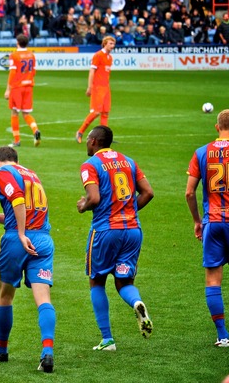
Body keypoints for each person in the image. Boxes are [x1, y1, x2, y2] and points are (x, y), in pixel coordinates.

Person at [76, 125, 154, 351]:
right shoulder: (129, 161)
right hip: (132, 230)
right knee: (124, 282)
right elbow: (148, 192)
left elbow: (94, 198)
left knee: (96, 281)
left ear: (93, 141)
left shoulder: (90, 165)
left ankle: (107, 339)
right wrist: (129, 210)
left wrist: (83, 207)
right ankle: (136, 302)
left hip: (105, 231)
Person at [185, 109, 229, 347]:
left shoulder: (201, 152)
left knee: (213, 280)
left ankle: (222, 335)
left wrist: (197, 221)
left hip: (212, 223)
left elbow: (189, 192)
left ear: (217, 127)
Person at [0, 146, 56, 373]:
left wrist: (20, 232)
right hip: (43, 240)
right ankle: (47, 351)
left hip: (19, 240)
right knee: (43, 298)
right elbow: (19, 210)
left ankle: (3, 349)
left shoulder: (3, 172)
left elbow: (17, 200)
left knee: (5, 296)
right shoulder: (31, 174)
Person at [76, 36, 115, 144]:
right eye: (110, 44)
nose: (112, 46)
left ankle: (105, 139)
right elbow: (92, 71)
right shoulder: (98, 55)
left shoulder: (109, 57)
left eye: (113, 44)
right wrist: (90, 87)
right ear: (104, 44)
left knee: (105, 112)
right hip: (98, 87)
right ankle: (80, 132)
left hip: (106, 87)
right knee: (96, 112)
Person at [5, 34, 41, 148]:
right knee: (26, 113)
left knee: (15, 112)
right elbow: (34, 72)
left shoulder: (14, 55)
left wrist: (8, 89)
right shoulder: (31, 55)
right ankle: (35, 130)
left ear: (17, 43)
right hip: (29, 86)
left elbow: (12, 73)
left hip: (17, 87)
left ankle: (17, 140)